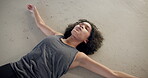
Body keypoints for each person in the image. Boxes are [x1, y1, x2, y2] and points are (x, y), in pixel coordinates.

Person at [0, 4, 138, 78]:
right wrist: (34, 10)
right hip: (12, 69)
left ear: (87, 40)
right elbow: (40, 24)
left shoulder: (78, 57)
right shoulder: (57, 35)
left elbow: (112, 74)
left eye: (85, 28)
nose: (80, 25)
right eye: (80, 23)